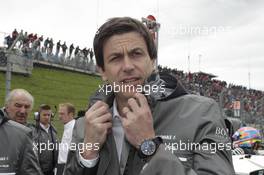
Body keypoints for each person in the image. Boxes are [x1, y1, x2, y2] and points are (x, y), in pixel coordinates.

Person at [64, 17, 235, 175]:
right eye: (116, 58)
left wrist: (150, 147)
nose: (128, 66)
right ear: (102, 71)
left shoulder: (201, 113)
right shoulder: (83, 126)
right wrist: (88, 155)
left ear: (152, 61)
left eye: (136, 54)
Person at [0, 89, 43, 174]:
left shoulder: (30, 131)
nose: (23, 111)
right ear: (7, 106)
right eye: (18, 105)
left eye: (27, 107)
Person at [33, 104, 58, 175]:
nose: (47, 117)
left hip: (52, 171)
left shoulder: (53, 131)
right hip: (38, 171)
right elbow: (33, 154)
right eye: (44, 115)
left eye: (48, 115)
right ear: (38, 116)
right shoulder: (33, 131)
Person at [57, 103, 76, 175]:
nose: (59, 117)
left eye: (62, 114)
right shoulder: (68, 126)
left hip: (67, 167)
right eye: (59, 114)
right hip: (61, 166)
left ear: (70, 114)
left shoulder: (74, 128)